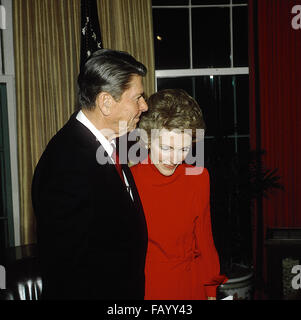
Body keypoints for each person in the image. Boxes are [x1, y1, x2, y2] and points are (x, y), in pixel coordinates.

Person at [31, 49, 149, 300]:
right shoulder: (66, 163)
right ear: (106, 102)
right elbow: (69, 272)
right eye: (137, 97)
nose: (144, 106)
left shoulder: (106, 144)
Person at [130, 89, 227, 300]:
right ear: (146, 138)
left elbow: (205, 242)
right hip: (148, 287)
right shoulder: (129, 180)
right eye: (166, 147)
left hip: (191, 286)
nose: (174, 158)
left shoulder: (199, 177)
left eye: (184, 149)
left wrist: (210, 290)